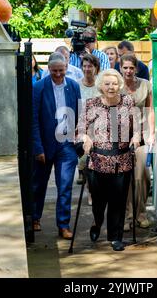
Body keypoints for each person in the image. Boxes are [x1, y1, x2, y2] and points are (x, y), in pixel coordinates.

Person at [76, 69, 141, 251]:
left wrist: (136, 137)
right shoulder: (91, 104)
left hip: (122, 159)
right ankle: (97, 222)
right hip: (97, 161)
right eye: (107, 84)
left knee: (118, 202)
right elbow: (80, 129)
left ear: (119, 85)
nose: (111, 87)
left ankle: (115, 237)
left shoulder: (128, 102)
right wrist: (85, 138)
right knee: (98, 202)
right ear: (101, 86)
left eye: (114, 83)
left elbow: (136, 127)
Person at [31, 52, 81, 240]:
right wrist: (38, 148)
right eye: (54, 71)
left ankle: (63, 224)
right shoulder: (39, 88)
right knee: (38, 185)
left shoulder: (74, 86)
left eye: (61, 70)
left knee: (66, 185)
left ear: (66, 69)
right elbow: (34, 120)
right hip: (45, 143)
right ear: (49, 70)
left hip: (67, 143)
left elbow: (80, 112)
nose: (58, 74)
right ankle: (35, 218)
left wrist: (78, 137)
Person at [119, 54, 155, 231]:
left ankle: (141, 213)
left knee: (142, 175)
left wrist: (152, 133)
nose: (128, 71)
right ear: (121, 68)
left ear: (136, 68)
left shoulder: (145, 85)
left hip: (141, 135)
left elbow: (150, 110)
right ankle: (127, 216)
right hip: (122, 137)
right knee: (125, 177)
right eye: (125, 67)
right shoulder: (116, 86)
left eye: (131, 68)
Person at [76, 54, 101, 205]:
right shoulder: (76, 85)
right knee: (85, 160)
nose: (87, 69)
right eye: (84, 66)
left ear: (96, 68)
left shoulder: (101, 85)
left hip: (99, 127)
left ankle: (94, 190)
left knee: (98, 162)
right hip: (82, 128)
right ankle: (89, 189)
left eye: (90, 66)